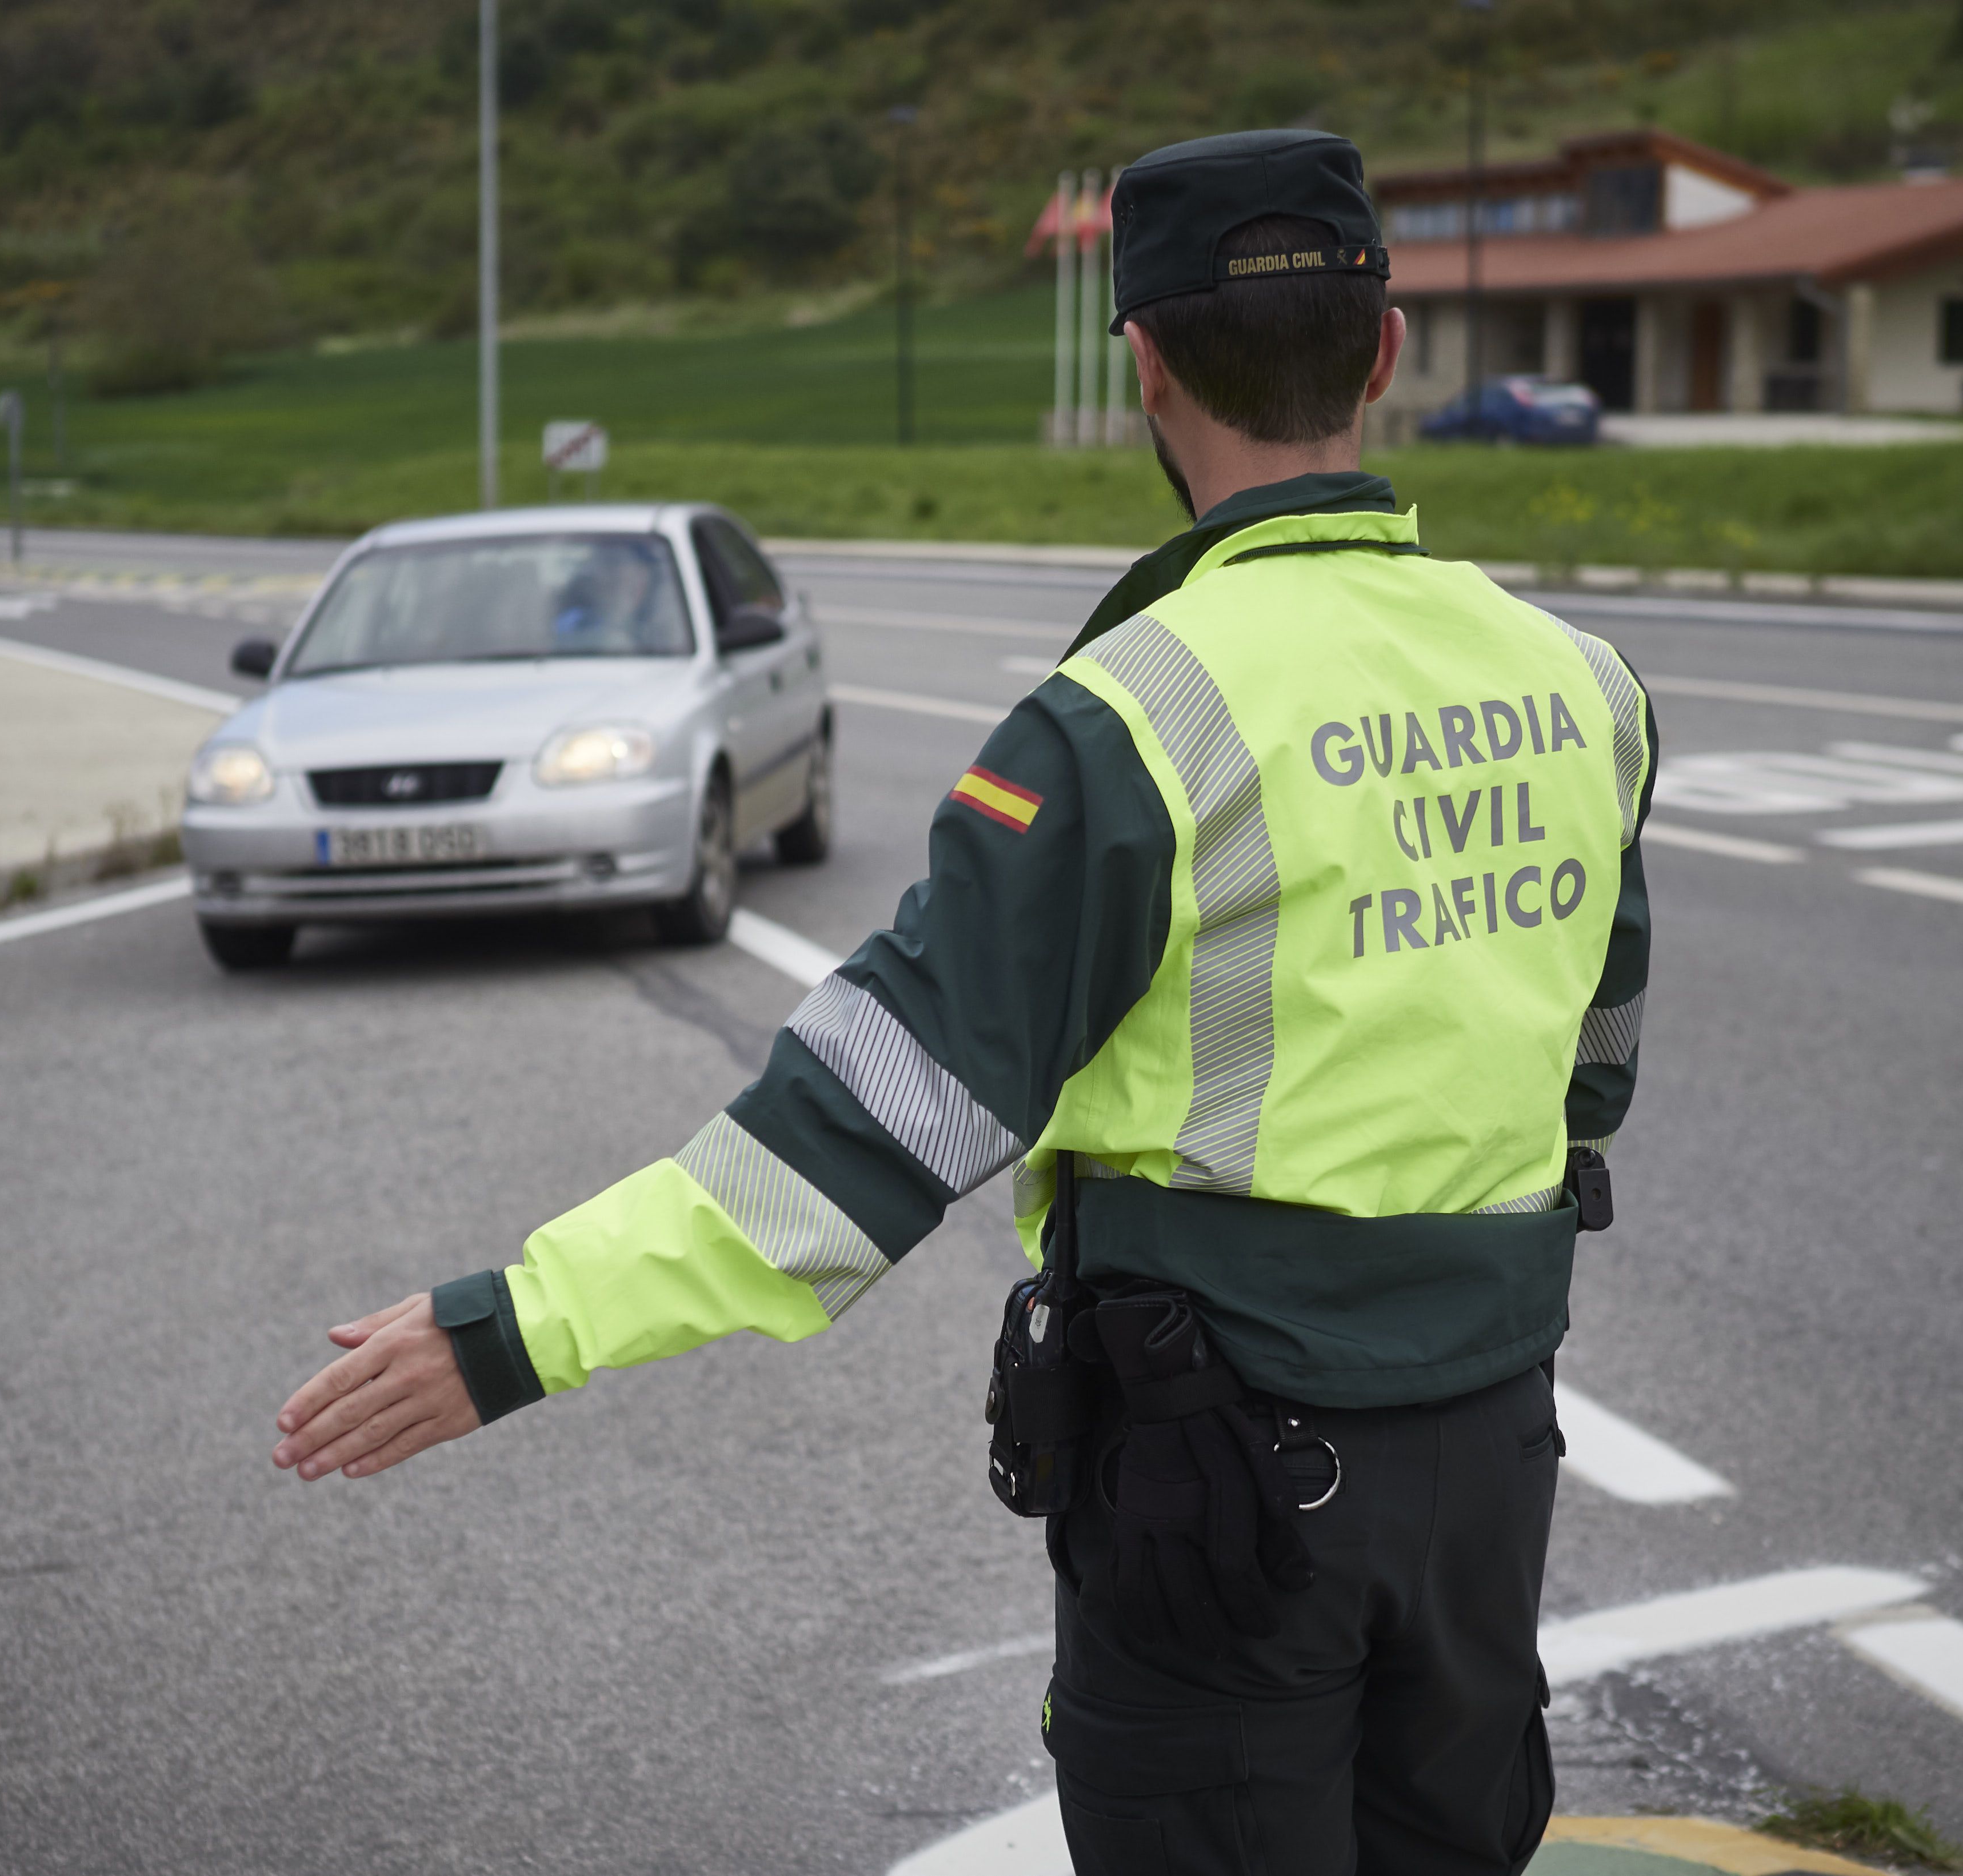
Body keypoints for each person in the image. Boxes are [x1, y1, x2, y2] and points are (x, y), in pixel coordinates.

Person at [271, 127, 1655, 1876]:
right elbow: (1590, 1070)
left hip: (1221, 1488)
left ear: (1143, 363)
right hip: (1490, 1470)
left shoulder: (1121, 725)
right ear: (1385, 356)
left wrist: (514, 1327)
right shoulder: (1584, 687)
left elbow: (847, 1147)